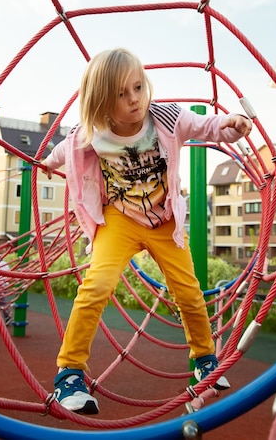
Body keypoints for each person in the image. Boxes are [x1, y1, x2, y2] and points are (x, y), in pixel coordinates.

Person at [43, 48, 252, 414]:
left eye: (138, 87)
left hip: (163, 220)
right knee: (97, 285)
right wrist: (46, 163)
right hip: (118, 219)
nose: (134, 99)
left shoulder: (167, 118)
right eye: (122, 94)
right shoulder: (91, 133)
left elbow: (206, 126)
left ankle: (204, 357)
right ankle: (69, 372)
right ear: (103, 102)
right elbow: (64, 151)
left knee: (187, 289)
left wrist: (231, 124)